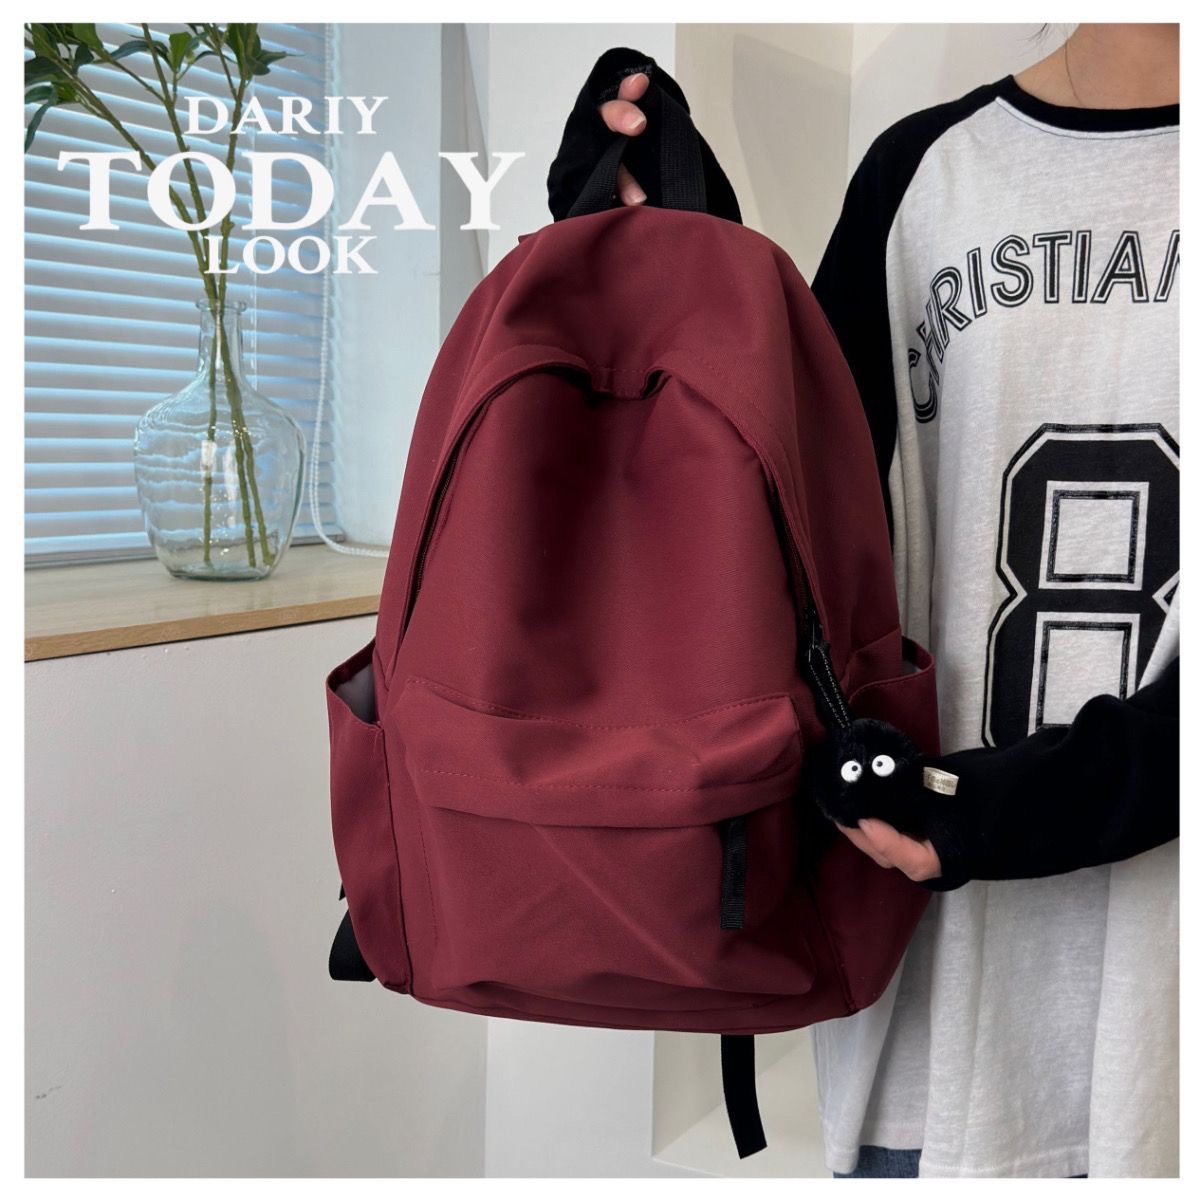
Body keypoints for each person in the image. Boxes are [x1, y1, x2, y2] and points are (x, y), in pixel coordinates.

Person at [546, 23, 1179, 1179]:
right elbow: (779, 518)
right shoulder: (923, 175)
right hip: (937, 1027)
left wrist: (1005, 810)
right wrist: (676, 253)